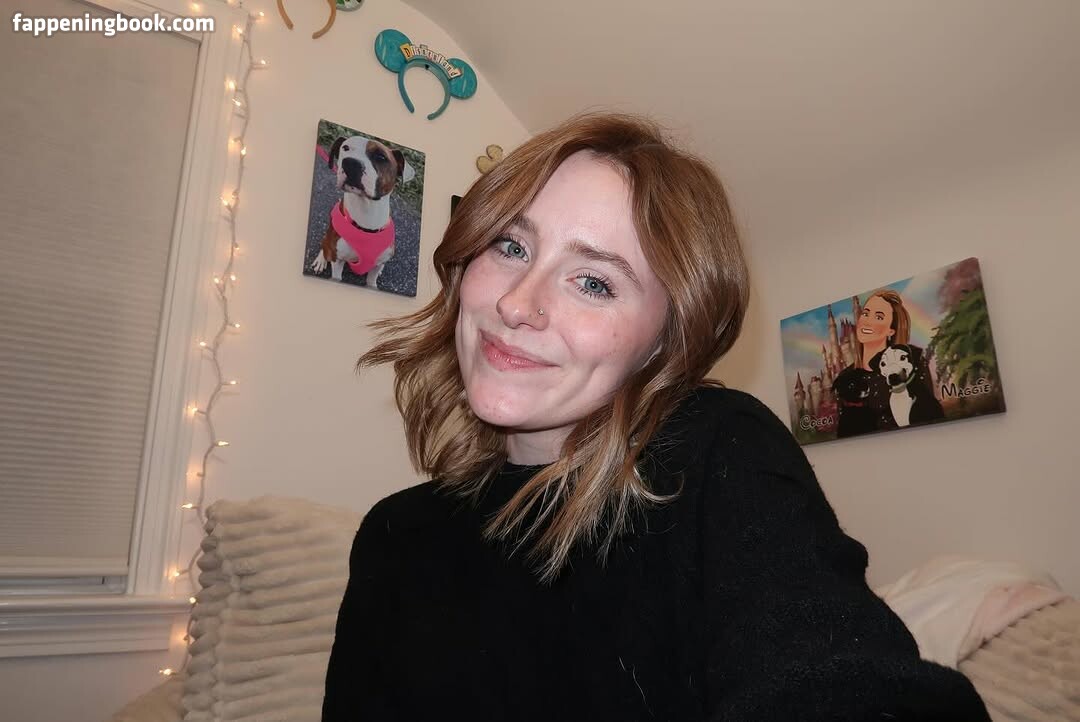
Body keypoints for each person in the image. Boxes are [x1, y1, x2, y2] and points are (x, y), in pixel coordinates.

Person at [322, 113, 990, 721]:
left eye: (594, 282)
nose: (518, 304)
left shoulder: (717, 453)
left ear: (664, 345)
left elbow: (840, 680)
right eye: (509, 246)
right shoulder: (393, 536)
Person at [833, 290, 908, 438]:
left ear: (891, 331)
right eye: (865, 314)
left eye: (878, 317)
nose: (867, 321)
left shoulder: (906, 369)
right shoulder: (845, 377)